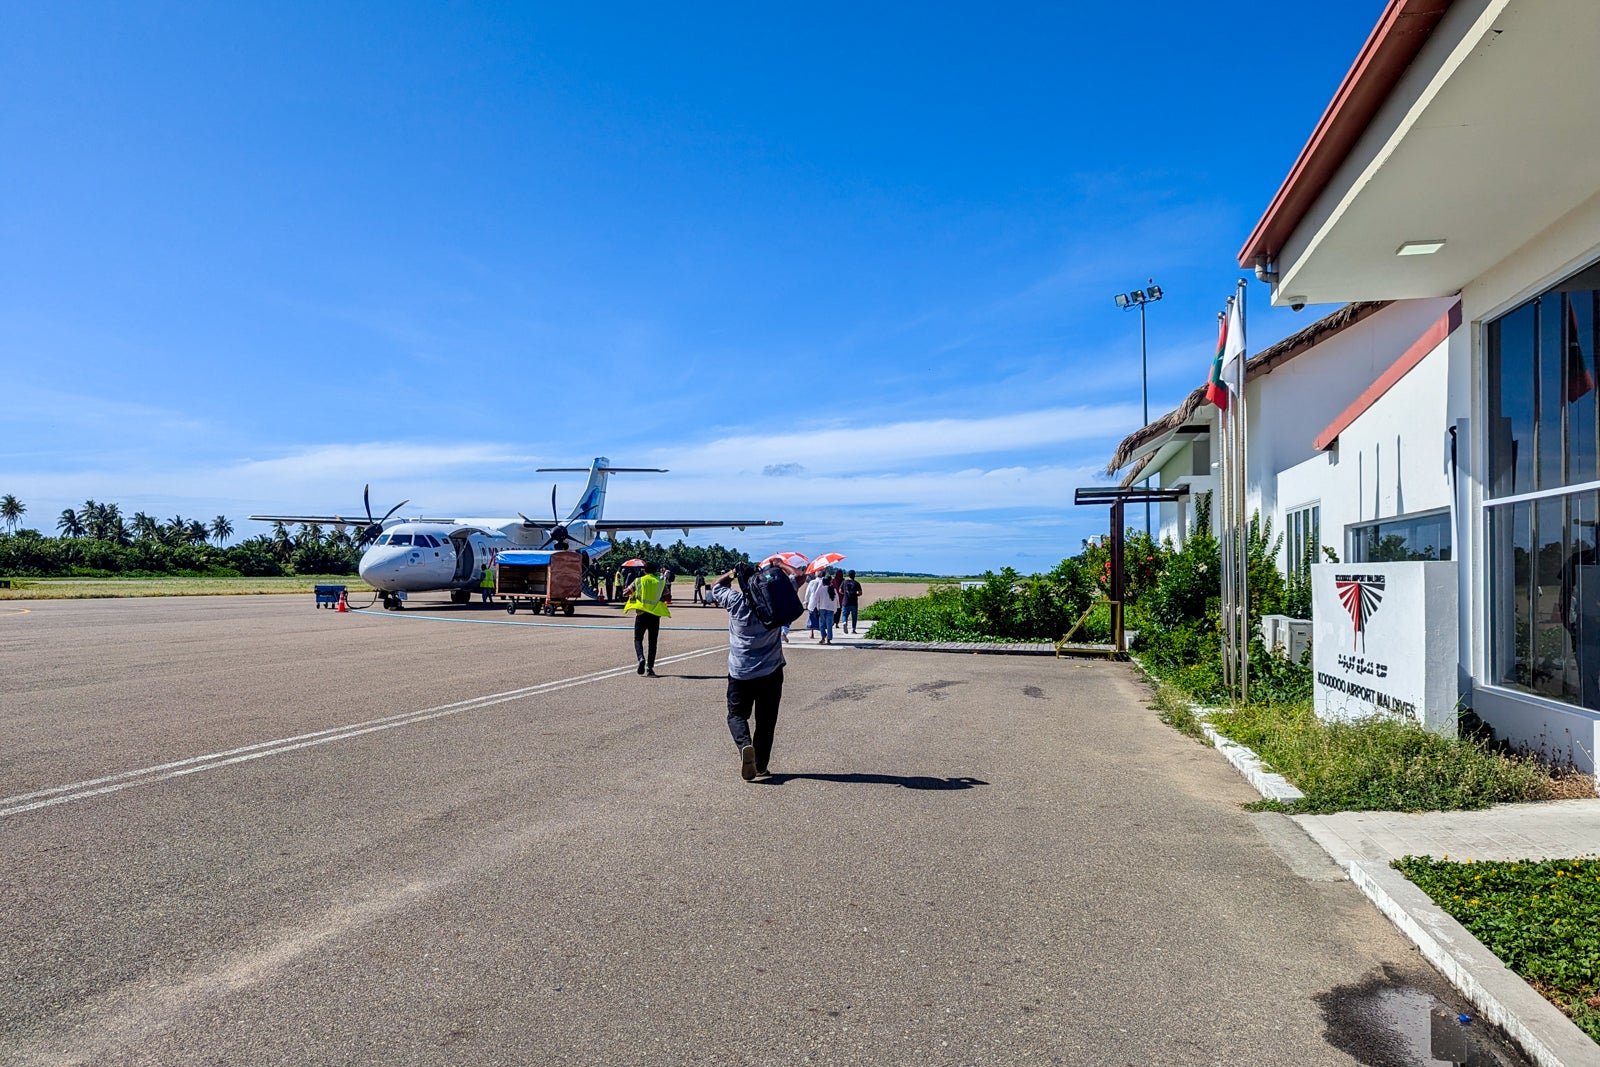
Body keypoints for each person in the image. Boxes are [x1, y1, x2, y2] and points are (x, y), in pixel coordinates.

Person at [708, 565, 786, 780]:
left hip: (741, 672)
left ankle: (744, 744)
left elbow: (716, 585)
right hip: (771, 671)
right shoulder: (775, 603)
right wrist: (779, 566)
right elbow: (797, 577)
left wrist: (731, 573)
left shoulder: (735, 602)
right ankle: (760, 766)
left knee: (736, 715)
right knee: (766, 721)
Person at [622, 560, 670, 676]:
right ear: (656, 571)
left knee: (638, 639)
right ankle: (650, 668)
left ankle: (641, 658)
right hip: (655, 615)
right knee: (652, 642)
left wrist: (629, 592)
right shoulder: (660, 582)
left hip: (641, 614)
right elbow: (668, 596)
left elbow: (625, 593)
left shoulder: (638, 581)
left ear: (644, 570)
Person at [807, 570, 838, 644]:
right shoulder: (833, 589)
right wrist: (836, 608)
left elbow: (817, 599)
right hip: (831, 609)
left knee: (822, 624)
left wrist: (816, 607)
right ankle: (829, 639)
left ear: (823, 582)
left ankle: (823, 638)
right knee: (829, 625)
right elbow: (837, 600)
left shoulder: (820, 589)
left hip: (822, 608)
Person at [840, 570, 863, 634]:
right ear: (854, 575)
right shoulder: (856, 583)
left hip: (845, 601)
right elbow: (860, 593)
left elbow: (840, 590)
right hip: (854, 602)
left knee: (844, 615)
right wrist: (857, 594)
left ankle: (845, 622)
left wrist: (844, 593)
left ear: (848, 575)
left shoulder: (844, 582)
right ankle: (853, 629)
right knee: (854, 616)